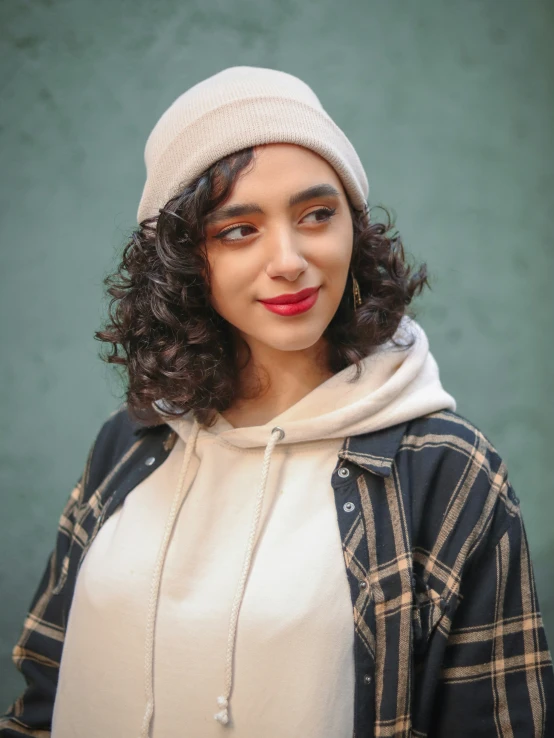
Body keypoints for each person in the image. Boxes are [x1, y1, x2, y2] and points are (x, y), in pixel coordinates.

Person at [1, 66, 552, 738]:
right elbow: (41, 691)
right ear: (182, 264)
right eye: (238, 229)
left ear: (352, 228)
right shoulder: (132, 443)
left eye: (316, 215)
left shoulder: (444, 471)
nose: (288, 259)